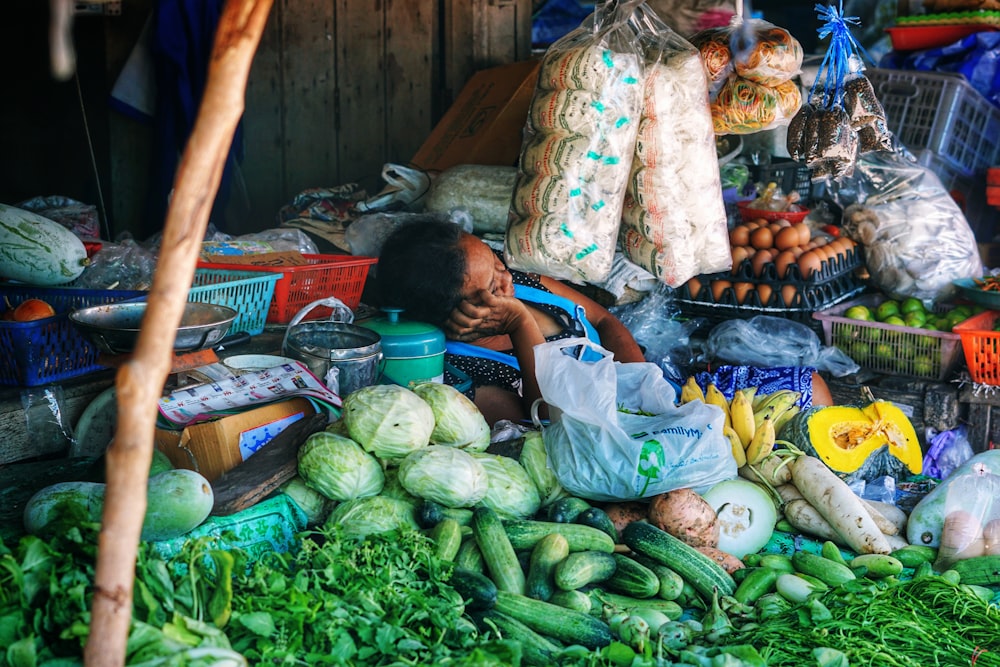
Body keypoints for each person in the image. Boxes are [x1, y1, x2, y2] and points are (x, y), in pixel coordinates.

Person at [376, 220, 646, 425]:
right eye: (494, 285)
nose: (508, 276)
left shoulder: (514, 277)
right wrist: (520, 324)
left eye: (495, 259)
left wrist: (642, 387)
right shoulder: (459, 374)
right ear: (456, 315)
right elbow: (548, 420)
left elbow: (602, 318)